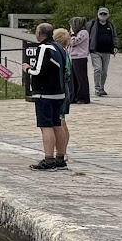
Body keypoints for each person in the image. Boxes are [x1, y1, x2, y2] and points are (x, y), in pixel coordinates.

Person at [24, 23, 67, 169]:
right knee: (57, 124)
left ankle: (49, 160)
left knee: (46, 126)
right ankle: (60, 159)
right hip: (59, 92)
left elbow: (39, 71)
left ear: (39, 33)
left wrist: (28, 69)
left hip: (45, 94)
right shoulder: (60, 48)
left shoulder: (44, 48)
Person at [53, 28, 76, 164]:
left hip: (61, 88)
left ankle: (62, 152)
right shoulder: (65, 52)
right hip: (65, 87)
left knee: (60, 121)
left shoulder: (60, 53)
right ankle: (62, 150)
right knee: (62, 120)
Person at [88, 6, 118, 96]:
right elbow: (86, 35)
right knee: (98, 69)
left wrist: (115, 46)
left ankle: (101, 87)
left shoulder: (110, 25)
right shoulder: (92, 24)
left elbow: (114, 37)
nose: (103, 15)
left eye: (105, 14)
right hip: (95, 51)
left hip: (107, 51)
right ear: (98, 14)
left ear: (108, 15)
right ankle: (97, 88)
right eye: (101, 14)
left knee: (104, 72)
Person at [66, 16, 93, 105]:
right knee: (73, 79)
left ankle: (83, 97)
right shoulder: (74, 33)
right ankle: (73, 96)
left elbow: (74, 42)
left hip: (80, 57)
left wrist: (73, 35)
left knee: (81, 78)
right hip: (73, 57)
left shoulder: (83, 33)